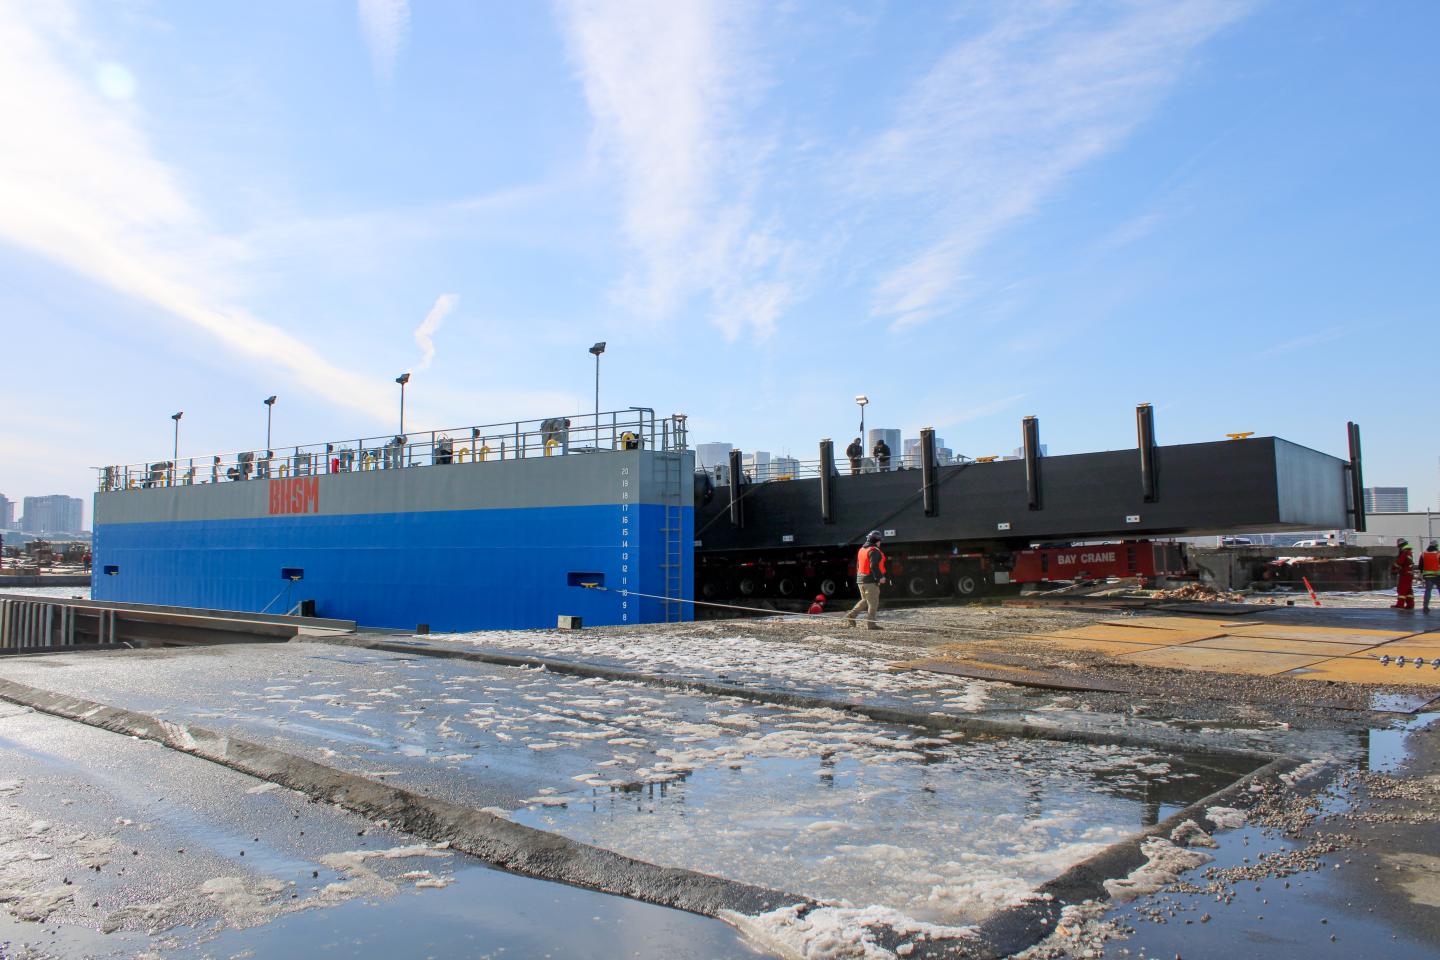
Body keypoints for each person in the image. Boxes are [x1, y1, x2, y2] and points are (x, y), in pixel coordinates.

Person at [846, 531, 888, 629]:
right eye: (880, 541)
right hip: (870, 581)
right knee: (873, 603)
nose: (880, 543)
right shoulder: (874, 551)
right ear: (876, 541)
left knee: (865, 600)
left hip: (861, 580)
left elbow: (858, 565)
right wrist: (880, 578)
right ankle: (871, 624)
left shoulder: (862, 550)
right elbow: (873, 566)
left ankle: (851, 615)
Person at [1392, 538, 1415, 610]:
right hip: (1410, 573)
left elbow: (1399, 562)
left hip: (1405, 573)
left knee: (1402, 589)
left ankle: (1400, 604)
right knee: (1408, 589)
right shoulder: (1409, 552)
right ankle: (1410, 604)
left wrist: (1393, 569)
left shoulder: (1404, 552)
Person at [1421, 541, 1440, 613]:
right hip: (1438, 576)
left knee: (1428, 591)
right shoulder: (1438, 554)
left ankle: (1425, 607)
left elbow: (1421, 565)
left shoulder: (1424, 554)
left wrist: (1421, 573)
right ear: (1436, 546)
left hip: (1428, 576)